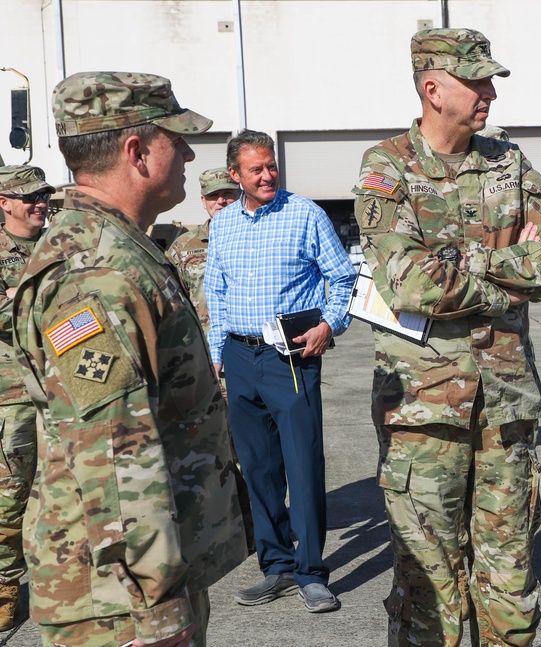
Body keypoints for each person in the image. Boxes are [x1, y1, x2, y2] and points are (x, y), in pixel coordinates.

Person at [11, 71, 249, 647]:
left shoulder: (120, 247)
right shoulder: (98, 272)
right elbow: (114, 448)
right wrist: (156, 608)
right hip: (117, 602)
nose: (191, 152)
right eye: (177, 138)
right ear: (136, 152)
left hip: (134, 580)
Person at [353, 28, 541, 646]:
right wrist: (503, 271)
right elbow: (410, 285)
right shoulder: (386, 165)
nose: (490, 93)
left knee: (509, 575)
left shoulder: (510, 162)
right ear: (432, 89)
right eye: (476, 82)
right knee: (429, 582)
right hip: (423, 406)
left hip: (505, 401)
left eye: (491, 81)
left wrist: (457, 261)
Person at [205, 129, 356, 614]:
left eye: (271, 166)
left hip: (291, 357)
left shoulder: (305, 214)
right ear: (236, 175)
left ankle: (311, 571)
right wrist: (216, 353)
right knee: (258, 468)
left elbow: (343, 277)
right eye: (256, 169)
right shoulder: (223, 223)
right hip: (239, 356)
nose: (268, 175)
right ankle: (277, 566)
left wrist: (330, 325)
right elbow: (217, 291)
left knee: (302, 463)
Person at [0, 164, 53, 631]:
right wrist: (29, 297)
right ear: (5, 202)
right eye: (30, 196)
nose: (40, 203)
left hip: (65, 389)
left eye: (44, 195)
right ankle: (4, 587)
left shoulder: (57, 248)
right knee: (9, 495)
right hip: (14, 393)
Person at [167, 168, 241, 334]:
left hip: (251, 346)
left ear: (240, 196)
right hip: (205, 345)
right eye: (213, 196)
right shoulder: (183, 247)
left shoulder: (260, 239)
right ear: (203, 201)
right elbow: (173, 304)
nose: (220, 201)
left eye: (228, 193)